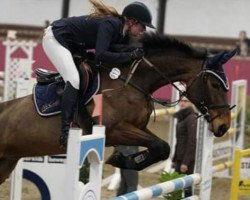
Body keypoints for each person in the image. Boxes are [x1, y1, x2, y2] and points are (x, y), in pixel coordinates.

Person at [42, 0, 155, 148]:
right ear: (132, 21)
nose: (144, 30)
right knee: (74, 80)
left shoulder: (122, 32)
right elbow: (101, 55)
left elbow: (117, 49)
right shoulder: (110, 24)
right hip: (55, 38)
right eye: (143, 26)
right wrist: (130, 55)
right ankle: (65, 130)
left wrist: (137, 52)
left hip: (73, 44)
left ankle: (85, 118)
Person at [172, 97, 197, 197]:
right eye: (181, 101)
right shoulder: (181, 116)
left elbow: (192, 141)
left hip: (186, 160)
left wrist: (185, 163)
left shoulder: (191, 118)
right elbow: (179, 141)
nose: (182, 103)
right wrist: (174, 159)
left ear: (191, 103)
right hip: (179, 157)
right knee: (176, 187)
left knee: (187, 188)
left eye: (186, 101)